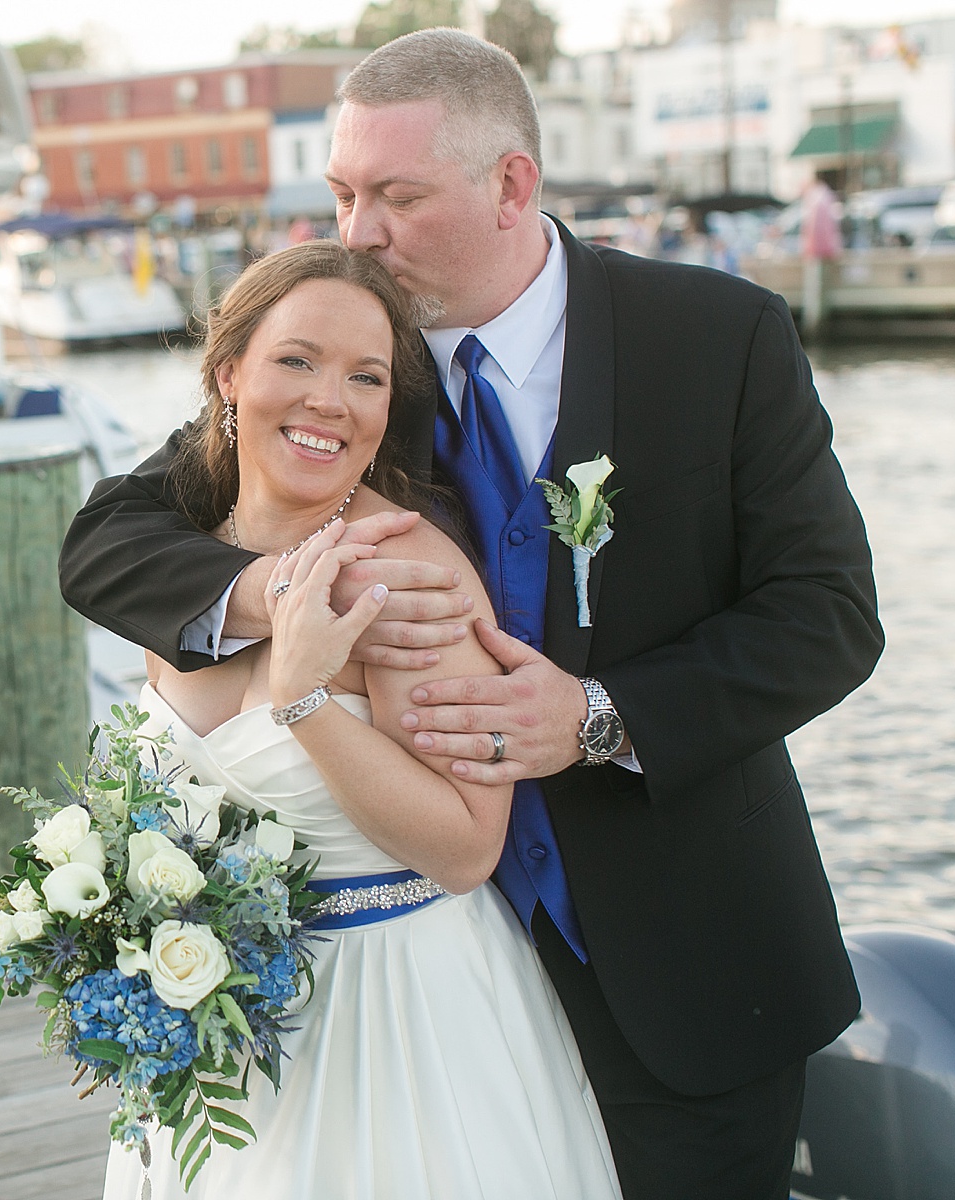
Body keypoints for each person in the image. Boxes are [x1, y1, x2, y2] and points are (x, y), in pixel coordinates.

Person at [61, 29, 882, 1200]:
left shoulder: (717, 337)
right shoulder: (345, 370)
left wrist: (598, 715)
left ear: (512, 185)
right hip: (425, 984)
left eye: (396, 196)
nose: (359, 234)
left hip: (691, 963)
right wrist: (287, 604)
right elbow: (109, 540)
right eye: (343, 193)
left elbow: (830, 614)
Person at [101, 240, 622, 1199]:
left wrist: (305, 703)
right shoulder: (180, 579)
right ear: (229, 374)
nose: (329, 400)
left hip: (399, 1021)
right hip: (223, 1041)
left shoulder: (403, 575)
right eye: (296, 360)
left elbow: (469, 847)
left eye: (366, 376)